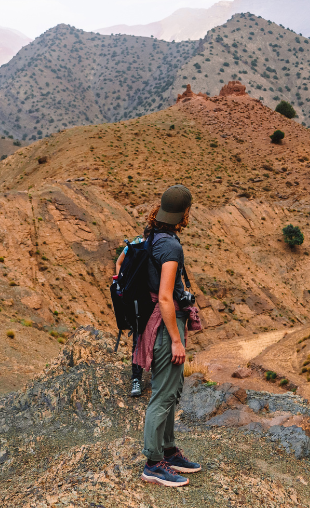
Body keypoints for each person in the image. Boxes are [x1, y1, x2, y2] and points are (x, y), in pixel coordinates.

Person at [132, 184, 202, 487]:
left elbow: (120, 266)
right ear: (184, 213)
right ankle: (152, 463)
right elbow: (164, 297)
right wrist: (175, 339)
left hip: (155, 322)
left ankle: (169, 451)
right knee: (162, 395)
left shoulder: (150, 238)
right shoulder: (171, 247)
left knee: (171, 390)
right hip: (164, 327)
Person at [114, 236, 147, 397]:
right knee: (142, 338)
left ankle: (136, 380)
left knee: (138, 339)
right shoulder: (144, 246)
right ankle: (137, 378)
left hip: (133, 300)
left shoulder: (133, 245)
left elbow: (118, 263)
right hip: (146, 298)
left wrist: (121, 282)